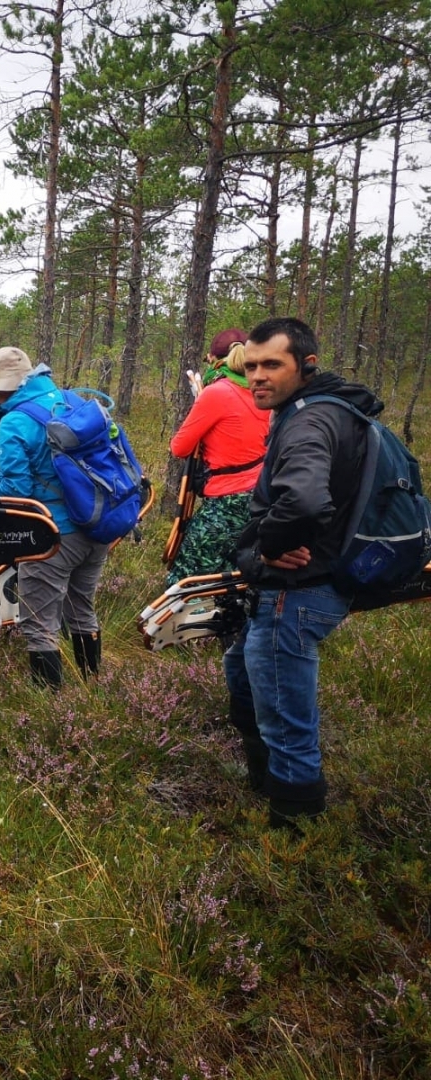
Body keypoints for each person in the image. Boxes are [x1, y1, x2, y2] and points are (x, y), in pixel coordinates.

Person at [224, 317, 376, 829]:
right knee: (242, 671)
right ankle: (262, 783)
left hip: (297, 590)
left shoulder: (309, 421)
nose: (258, 376)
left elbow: (307, 500)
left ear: (306, 366)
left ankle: (294, 835)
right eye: (252, 366)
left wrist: (267, 549)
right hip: (307, 585)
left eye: (272, 365)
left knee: (287, 723)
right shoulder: (327, 410)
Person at [0, 347, 108, 689]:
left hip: (53, 535)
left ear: (0, 388)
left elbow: (16, 491)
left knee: (38, 623)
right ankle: (92, 685)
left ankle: (50, 706)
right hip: (97, 524)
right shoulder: (71, 401)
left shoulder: (15, 422)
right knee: (82, 608)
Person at [166, 328, 270, 584]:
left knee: (187, 581)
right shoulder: (267, 394)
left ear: (214, 359)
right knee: (238, 579)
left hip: (227, 503)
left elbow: (179, 447)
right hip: (265, 500)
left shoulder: (217, 393)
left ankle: (189, 625)